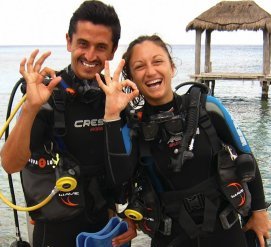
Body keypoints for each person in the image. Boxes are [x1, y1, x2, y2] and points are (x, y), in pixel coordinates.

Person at [96, 34, 271, 247]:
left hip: (226, 233)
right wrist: (112, 115)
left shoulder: (208, 108)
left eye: (158, 61)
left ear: (172, 67)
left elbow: (246, 157)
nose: (151, 71)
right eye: (140, 66)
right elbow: (118, 178)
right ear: (131, 76)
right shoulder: (133, 127)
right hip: (170, 237)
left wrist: (259, 212)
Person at [0, 1, 137, 247]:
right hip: (54, 232)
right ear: (69, 41)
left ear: (113, 50)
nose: (90, 55)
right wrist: (31, 107)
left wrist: (132, 213)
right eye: (83, 44)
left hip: (107, 230)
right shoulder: (48, 94)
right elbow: (10, 164)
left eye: (101, 47)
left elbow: (135, 166)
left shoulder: (116, 99)